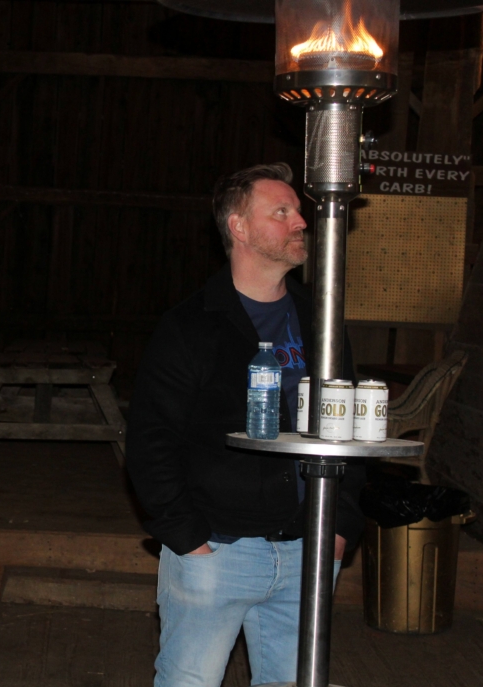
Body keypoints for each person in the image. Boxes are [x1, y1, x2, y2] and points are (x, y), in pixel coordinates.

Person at [125, 163, 365, 686]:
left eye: (297, 210)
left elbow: (346, 425)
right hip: (219, 550)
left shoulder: (321, 320)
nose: (300, 221)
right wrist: (189, 541)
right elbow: (150, 441)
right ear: (238, 227)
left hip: (309, 548)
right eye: (281, 211)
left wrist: (340, 527)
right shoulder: (192, 325)